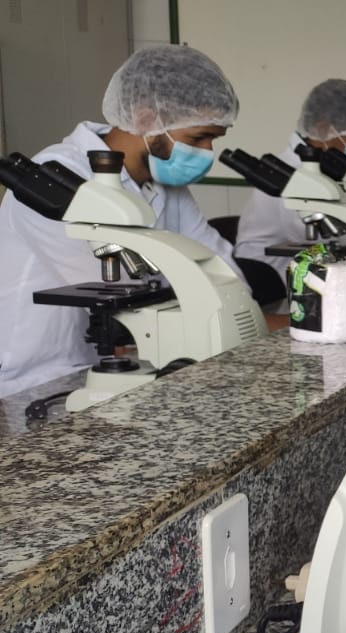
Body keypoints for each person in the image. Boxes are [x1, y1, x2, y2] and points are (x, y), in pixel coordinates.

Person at [0, 45, 245, 396]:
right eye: (198, 138)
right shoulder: (53, 181)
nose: (207, 152)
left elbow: (215, 262)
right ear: (146, 120)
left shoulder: (164, 183)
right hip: (37, 376)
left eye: (213, 139)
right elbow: (115, 293)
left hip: (122, 362)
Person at [234, 79, 346, 282]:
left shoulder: (326, 166)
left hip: (312, 271)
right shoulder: (290, 172)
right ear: (324, 127)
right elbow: (335, 237)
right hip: (271, 280)